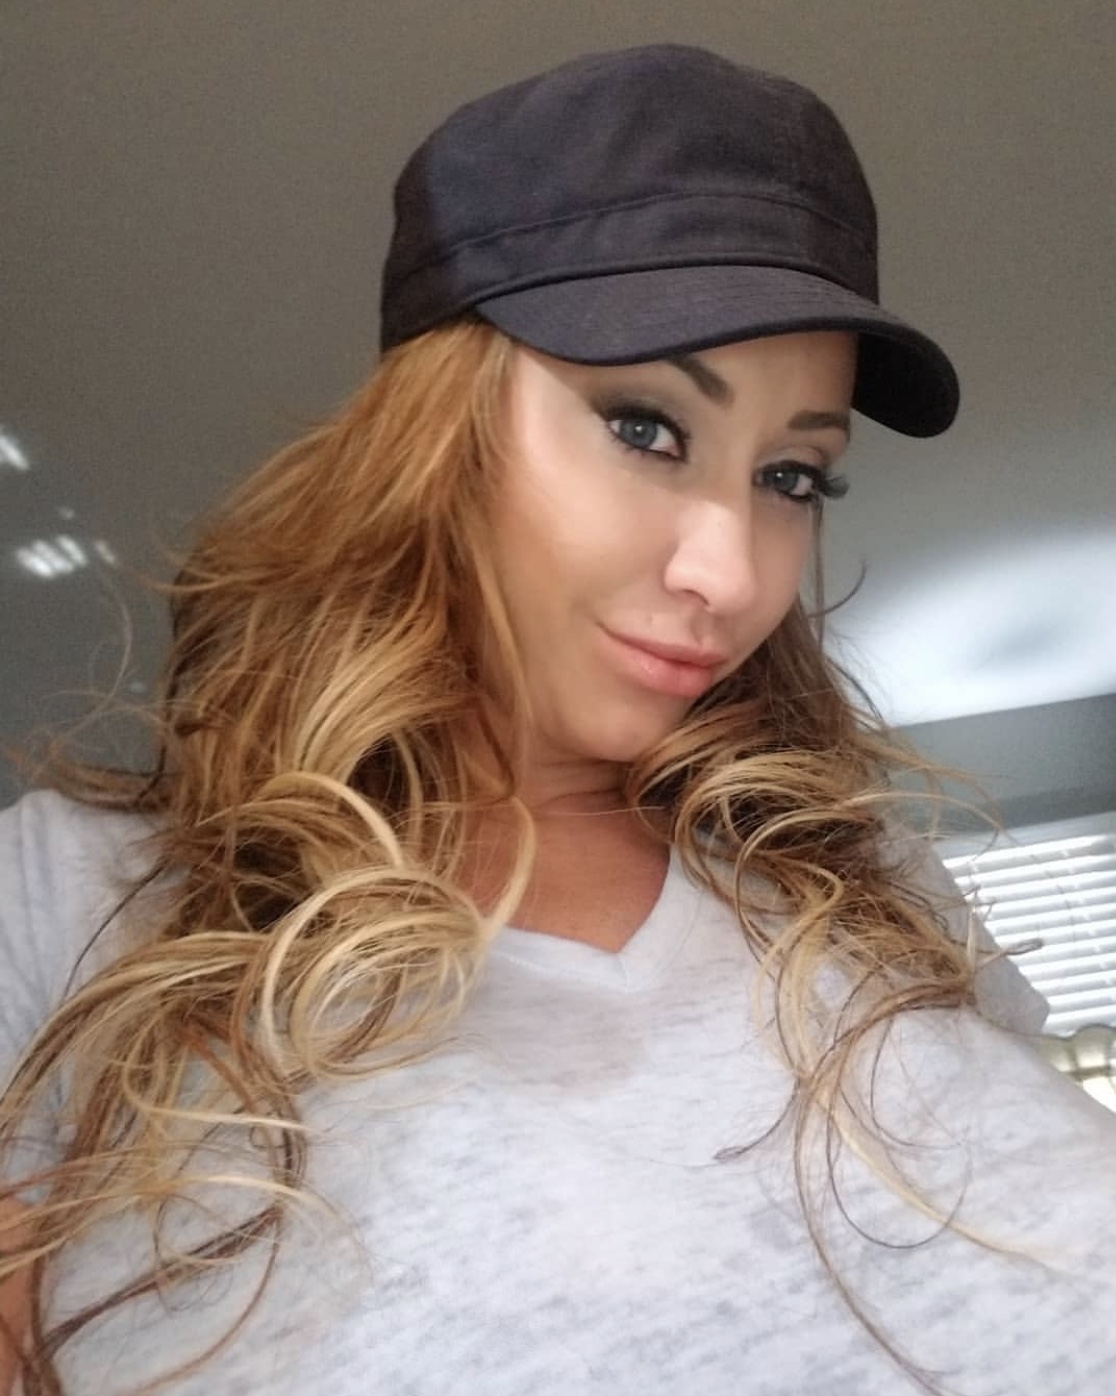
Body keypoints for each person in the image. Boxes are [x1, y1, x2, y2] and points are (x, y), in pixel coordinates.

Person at [1, 42, 1114, 1396]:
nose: (732, 573)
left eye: (791, 475)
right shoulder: (71, 902)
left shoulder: (867, 873)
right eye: (646, 427)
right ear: (438, 433)